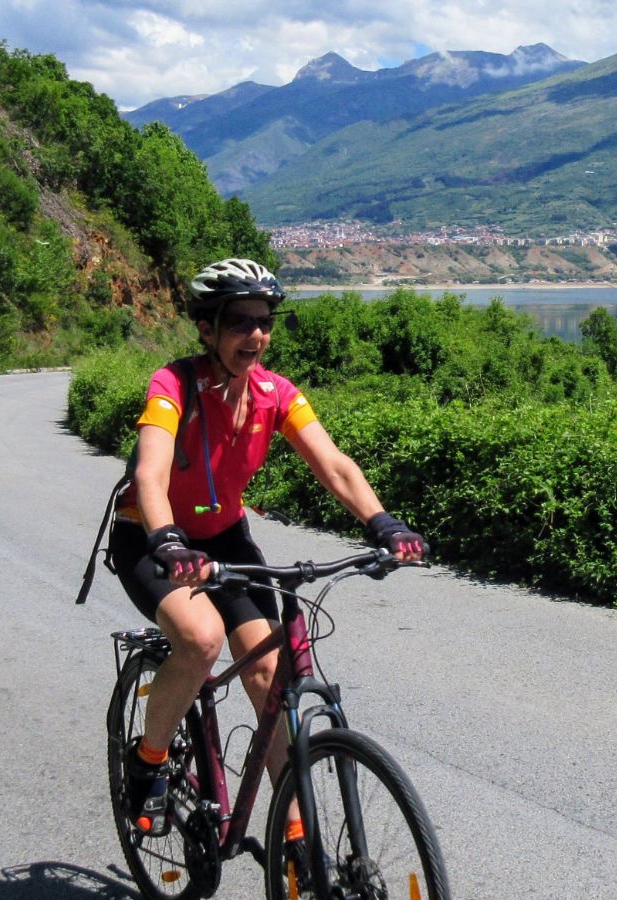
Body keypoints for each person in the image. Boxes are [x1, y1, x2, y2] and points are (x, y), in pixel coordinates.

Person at [108, 258, 426, 836]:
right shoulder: (172, 385)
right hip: (151, 536)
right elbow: (151, 474)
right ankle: (149, 761)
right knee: (201, 639)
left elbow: (333, 464)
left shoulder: (275, 394)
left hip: (225, 538)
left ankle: (296, 841)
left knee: (269, 673)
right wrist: (168, 541)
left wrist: (383, 523)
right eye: (240, 322)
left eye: (265, 322)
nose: (256, 335)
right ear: (207, 329)